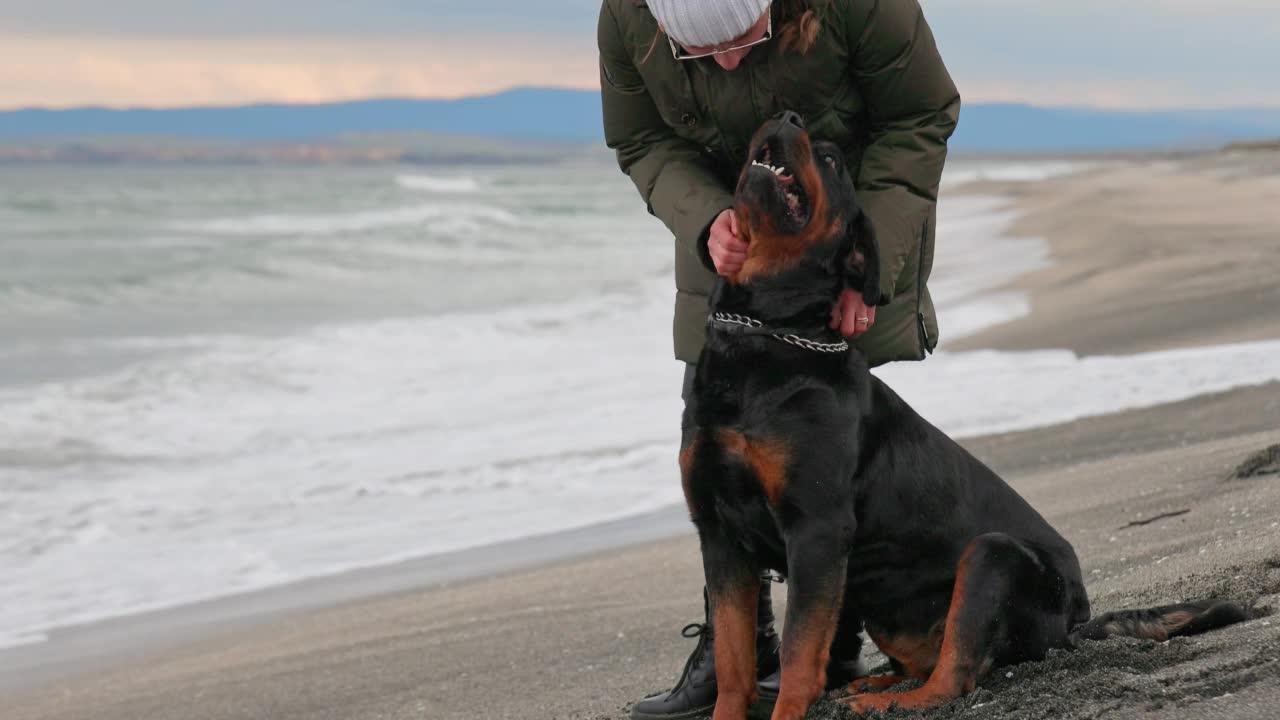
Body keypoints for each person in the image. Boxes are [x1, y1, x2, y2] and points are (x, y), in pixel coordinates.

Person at [597, 0, 960, 717]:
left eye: (745, 41)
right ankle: (738, 651)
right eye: (700, 56)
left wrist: (868, 268)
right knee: (721, 461)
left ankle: (833, 648)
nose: (729, 64)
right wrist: (705, 221)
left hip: (838, 223)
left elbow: (920, 115)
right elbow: (641, 142)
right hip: (729, 232)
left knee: (828, 462)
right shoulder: (627, 16)